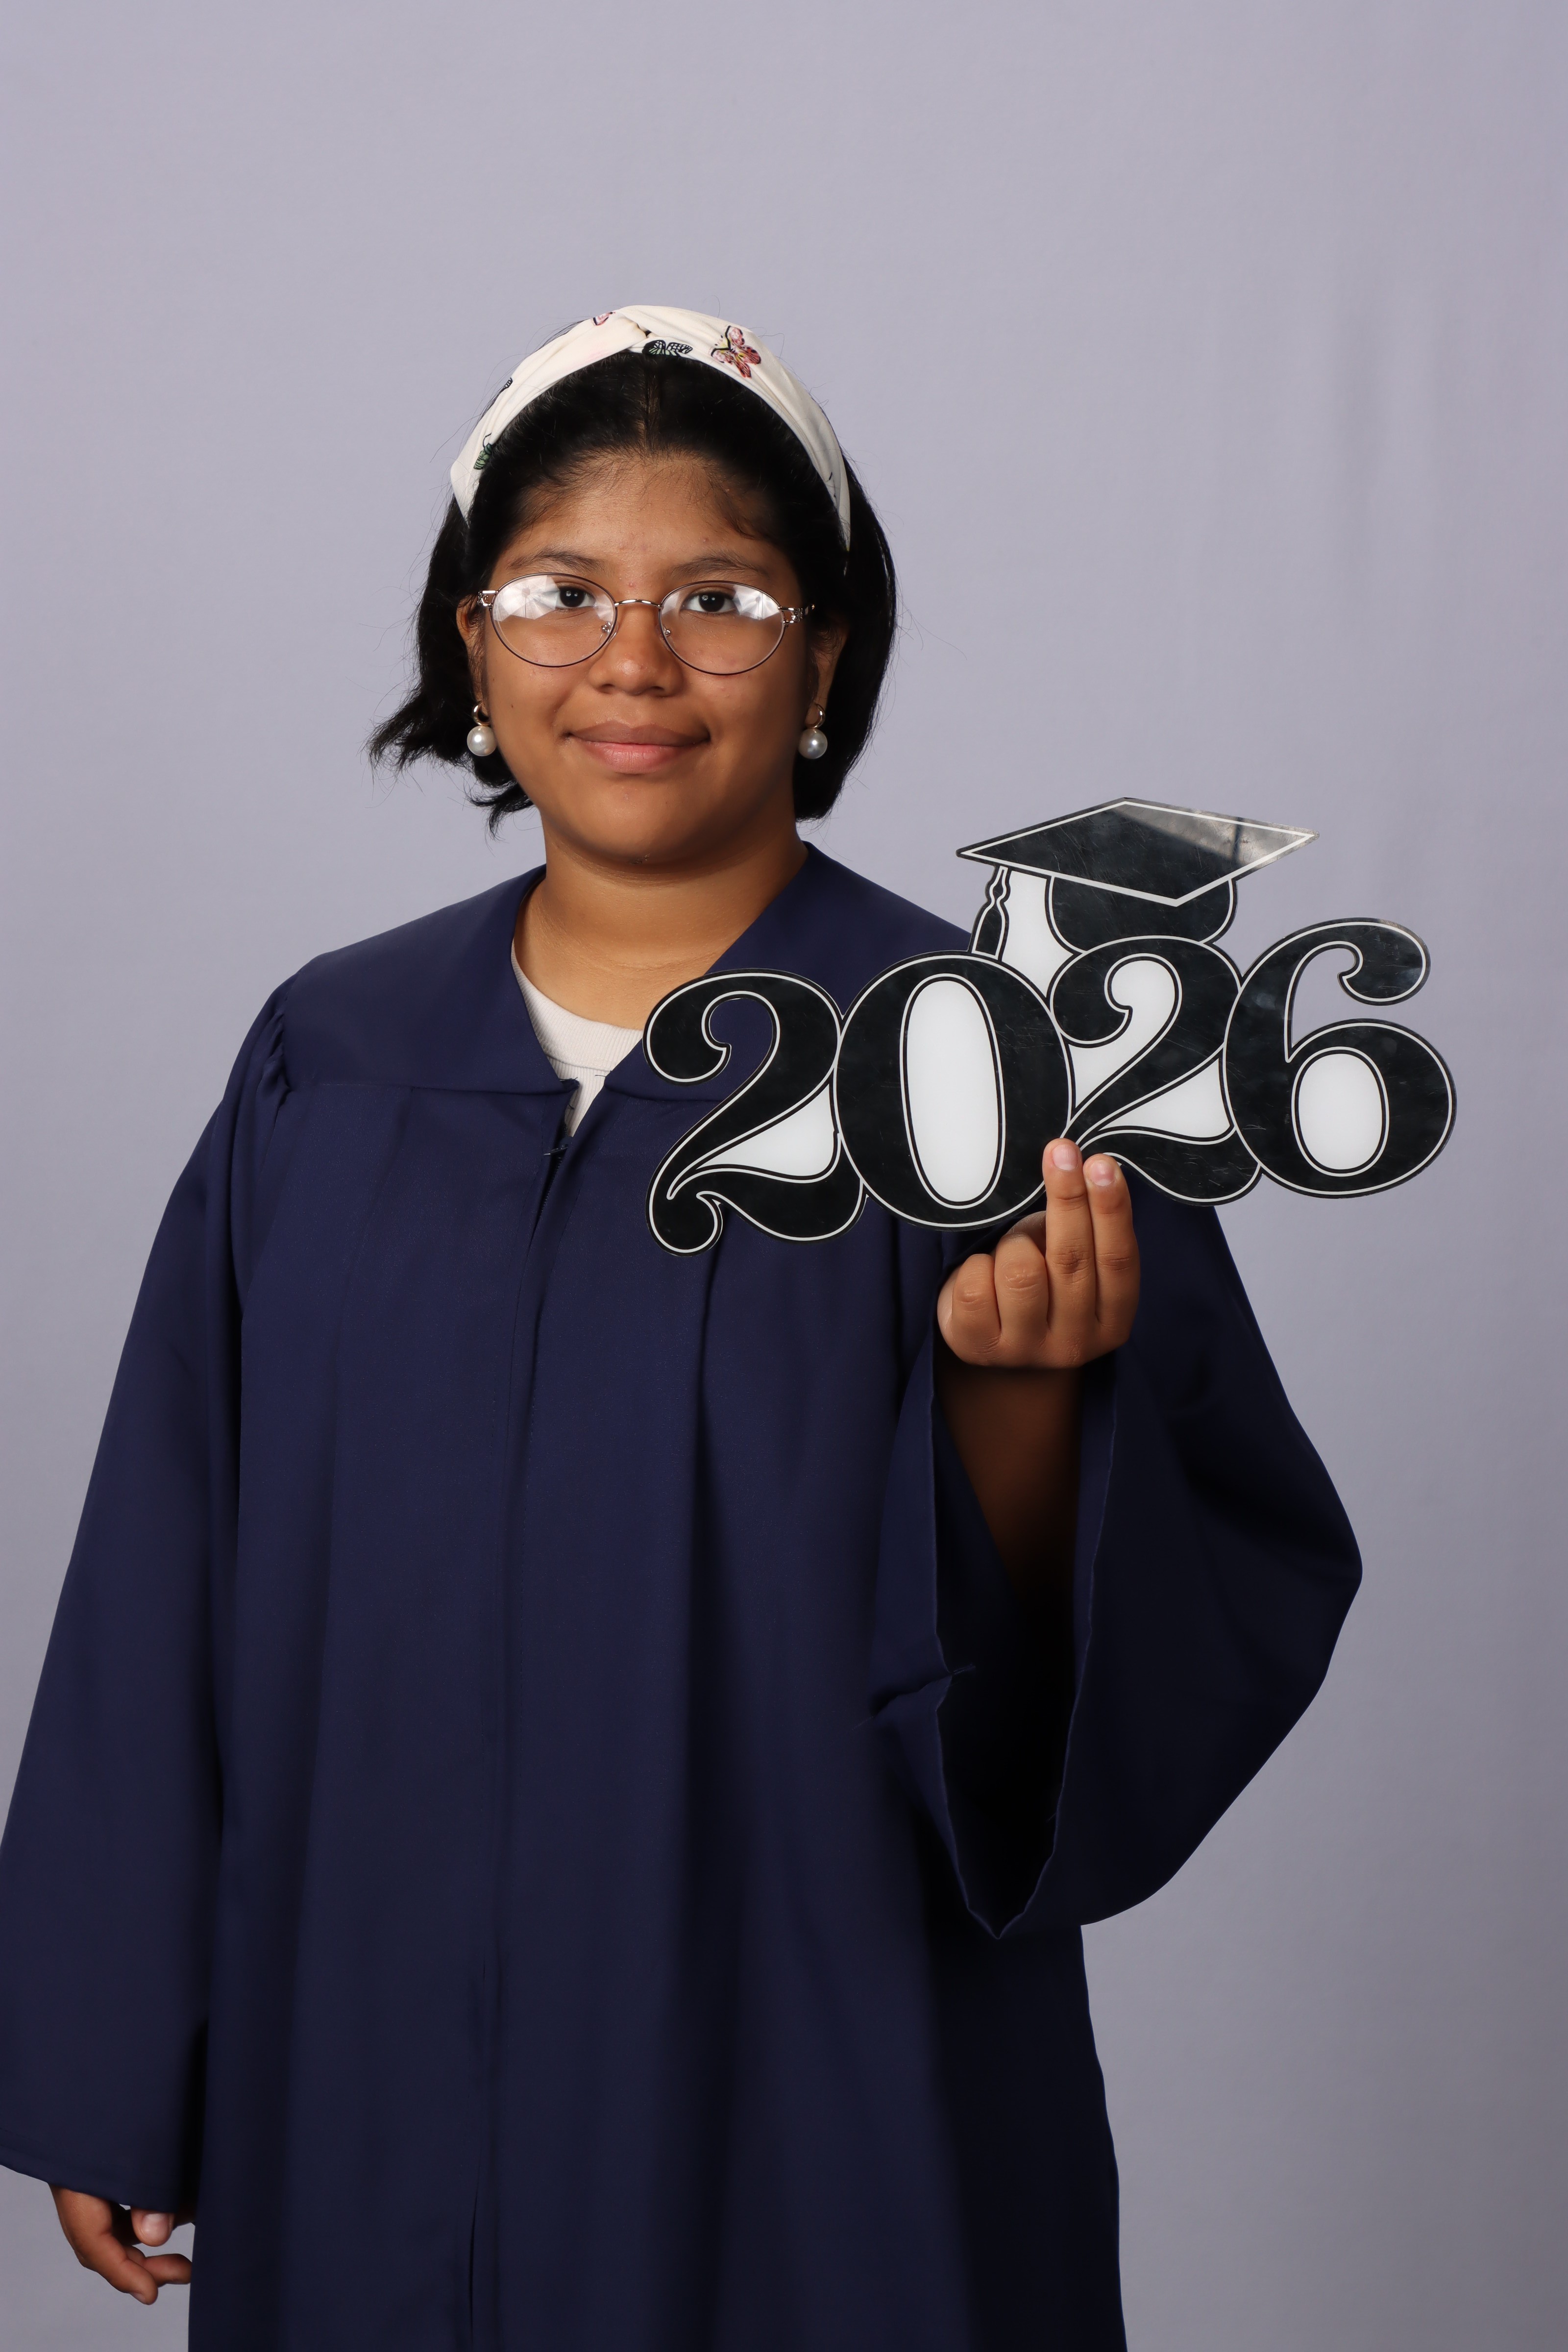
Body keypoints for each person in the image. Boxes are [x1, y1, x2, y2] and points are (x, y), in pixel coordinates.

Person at [0, 308, 1360, 2351]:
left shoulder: (983, 1072)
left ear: (823, 661)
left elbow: (1155, 1629)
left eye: (719, 600)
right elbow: (165, 1567)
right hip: (355, 2069)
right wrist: (120, 2039)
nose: (631, 661)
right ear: (473, 650)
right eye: (558, 594)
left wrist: (1018, 1415)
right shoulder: (330, 1061)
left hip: (817, 2094)